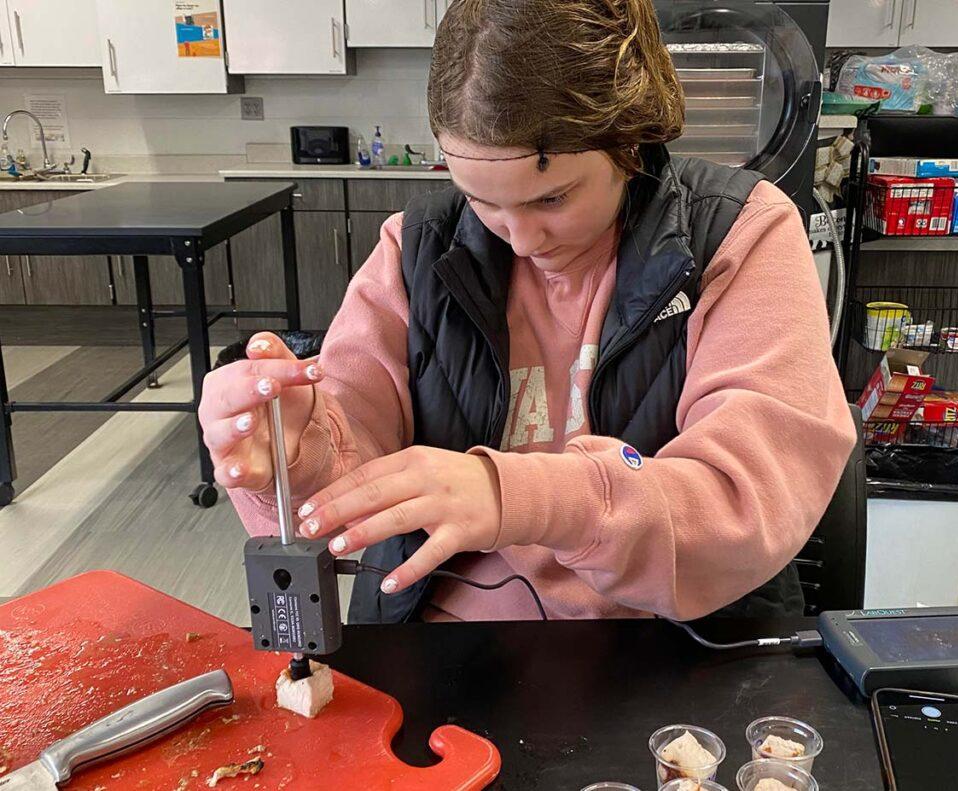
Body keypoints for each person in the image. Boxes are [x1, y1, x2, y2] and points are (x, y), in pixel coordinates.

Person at [199, 0, 856, 624]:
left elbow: (741, 504)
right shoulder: (416, 249)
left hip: (666, 653)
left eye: (552, 199)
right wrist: (299, 456)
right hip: (444, 647)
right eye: (480, 199)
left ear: (630, 140)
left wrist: (514, 497)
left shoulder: (740, 236)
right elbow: (348, 468)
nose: (518, 238)